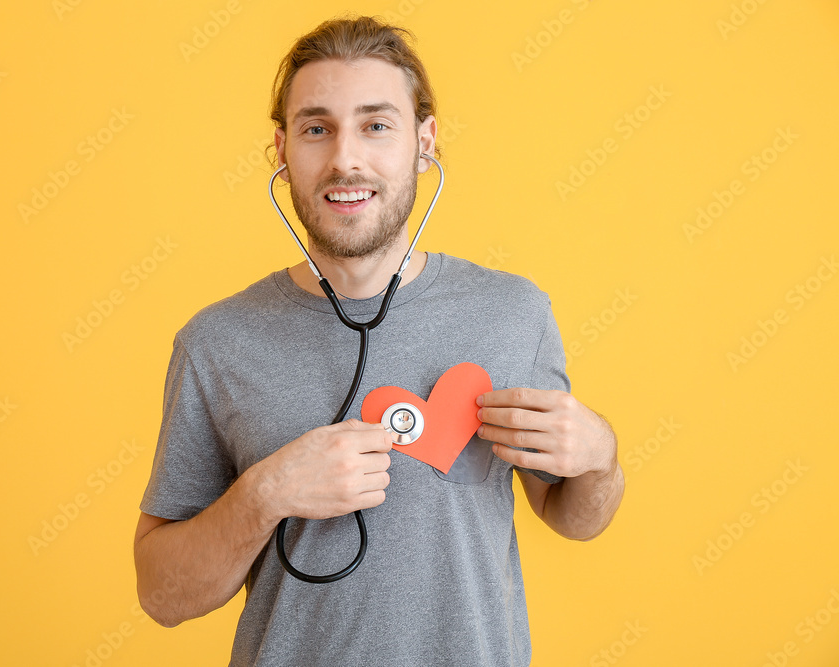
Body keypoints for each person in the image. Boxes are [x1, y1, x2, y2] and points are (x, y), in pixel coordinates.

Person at [134, 15, 624, 667]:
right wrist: (266, 491)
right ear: (281, 149)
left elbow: (574, 516)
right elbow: (162, 594)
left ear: (425, 142)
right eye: (317, 128)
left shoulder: (514, 313)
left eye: (376, 124)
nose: (345, 158)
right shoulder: (215, 343)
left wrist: (601, 457)